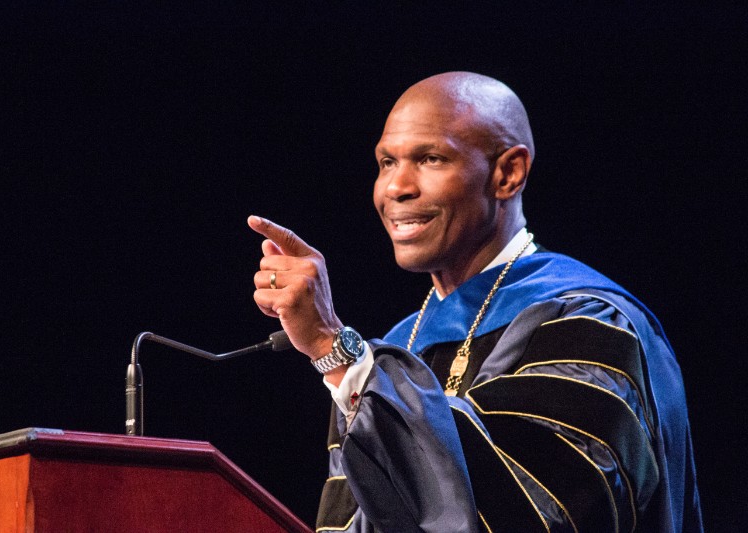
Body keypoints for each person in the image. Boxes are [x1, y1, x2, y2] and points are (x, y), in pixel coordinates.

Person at [248, 72, 702, 532]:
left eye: (430, 158)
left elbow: (537, 510)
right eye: (387, 162)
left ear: (508, 173)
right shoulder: (396, 349)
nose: (396, 187)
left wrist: (334, 348)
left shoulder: (588, 321)